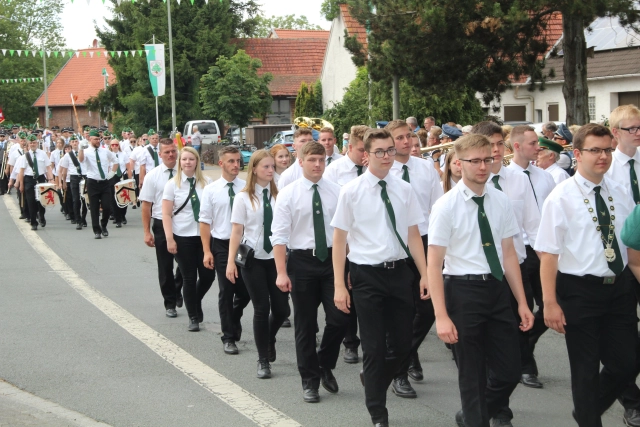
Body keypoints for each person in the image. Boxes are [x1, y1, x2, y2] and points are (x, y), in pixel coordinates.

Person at [535, 123, 640, 427]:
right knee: (585, 370)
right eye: (595, 150)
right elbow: (548, 255)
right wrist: (550, 302)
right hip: (579, 290)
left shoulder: (621, 192)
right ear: (578, 154)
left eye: (607, 150)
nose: (603, 156)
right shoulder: (560, 197)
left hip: (619, 287)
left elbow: (631, 248)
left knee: (627, 363)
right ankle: (588, 417)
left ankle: (586, 409)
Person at [427, 133, 534, 427]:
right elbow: (434, 264)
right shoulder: (446, 206)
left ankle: (471, 416)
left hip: (497, 289)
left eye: (488, 159)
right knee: (472, 374)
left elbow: (509, 254)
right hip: (463, 291)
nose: (483, 166)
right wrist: (441, 316)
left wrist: (522, 302)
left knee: (510, 371)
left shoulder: (500, 200)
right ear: (459, 164)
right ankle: (475, 418)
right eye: (475, 161)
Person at [332, 128, 429, 427]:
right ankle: (378, 413)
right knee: (373, 348)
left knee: (402, 345)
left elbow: (413, 234)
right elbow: (339, 240)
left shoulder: (405, 189)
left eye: (390, 150)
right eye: (380, 152)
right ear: (366, 155)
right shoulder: (351, 191)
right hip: (366, 275)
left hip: (399, 272)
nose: (387, 156)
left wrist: (425, 274)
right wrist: (339, 284)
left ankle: (374, 379)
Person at [472, 121, 541, 425]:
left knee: (511, 345)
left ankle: (490, 404)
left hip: (516, 270)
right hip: (481, 274)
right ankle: (497, 411)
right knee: (486, 347)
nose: (497, 150)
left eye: (500, 143)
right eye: (490, 144)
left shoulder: (518, 180)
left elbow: (534, 227)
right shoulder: (470, 182)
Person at [271, 141, 349, 403]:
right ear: (301, 161)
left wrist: (349, 268)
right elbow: (279, 236)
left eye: (321, 160)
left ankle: (324, 362)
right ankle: (310, 380)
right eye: (312, 160)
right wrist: (281, 272)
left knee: (341, 318)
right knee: (305, 325)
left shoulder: (338, 192)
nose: (317, 165)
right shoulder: (288, 194)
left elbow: (347, 233)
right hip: (302, 262)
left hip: (333, 261)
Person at [385, 119, 443, 398]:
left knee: (428, 308)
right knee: (400, 311)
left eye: (408, 136)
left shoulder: (425, 168)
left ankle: (407, 353)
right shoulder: (385, 171)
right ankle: (400, 372)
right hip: (396, 244)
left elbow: (437, 207)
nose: (407, 141)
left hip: (425, 241)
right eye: (400, 138)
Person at [227, 150, 290, 379]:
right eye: (266, 166)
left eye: (272, 166)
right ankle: (263, 359)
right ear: (254, 169)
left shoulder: (280, 195)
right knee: (261, 308)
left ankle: (269, 337)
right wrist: (231, 262)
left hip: (277, 259)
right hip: (253, 260)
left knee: (282, 310)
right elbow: (237, 231)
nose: (271, 170)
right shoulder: (243, 197)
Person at [606, 105, 640, 426]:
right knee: (624, 337)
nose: (638, 133)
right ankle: (631, 401)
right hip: (621, 261)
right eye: (632, 128)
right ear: (616, 133)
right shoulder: (606, 168)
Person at [200, 146, 251, 354]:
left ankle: (234, 317)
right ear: (221, 163)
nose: (236, 165)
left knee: (246, 291)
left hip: (244, 245)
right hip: (221, 244)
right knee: (227, 289)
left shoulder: (246, 187)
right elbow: (204, 222)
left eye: (238, 161)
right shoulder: (211, 190)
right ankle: (228, 337)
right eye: (231, 161)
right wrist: (207, 251)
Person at [324, 125, 368, 364]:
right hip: (346, 242)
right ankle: (350, 342)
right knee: (348, 294)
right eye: (361, 150)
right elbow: (331, 210)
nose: (365, 155)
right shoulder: (334, 171)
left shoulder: (375, 168)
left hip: (370, 241)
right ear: (349, 147)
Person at [162, 147, 213, 332]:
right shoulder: (172, 184)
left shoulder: (207, 182)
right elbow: (166, 214)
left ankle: (195, 300)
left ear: (197, 161)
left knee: (208, 275)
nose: (188, 162)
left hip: (205, 236)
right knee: (189, 278)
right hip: (183, 236)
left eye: (191, 159)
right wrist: (170, 239)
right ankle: (193, 316)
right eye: (184, 159)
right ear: (179, 162)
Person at [139, 139, 183, 318]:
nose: (171, 155)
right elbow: (146, 206)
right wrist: (146, 232)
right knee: (165, 266)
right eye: (167, 152)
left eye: (173, 151)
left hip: (183, 224)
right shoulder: (153, 176)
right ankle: (170, 303)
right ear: (160, 155)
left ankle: (177, 287)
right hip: (161, 224)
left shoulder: (186, 171)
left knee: (186, 263)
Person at [78, 129, 119, 239]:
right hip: (92, 182)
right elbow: (81, 160)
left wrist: (112, 173)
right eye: (95, 139)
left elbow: (115, 161)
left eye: (98, 139)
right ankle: (97, 230)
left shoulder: (105, 151)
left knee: (107, 207)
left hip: (104, 182)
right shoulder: (86, 151)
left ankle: (104, 225)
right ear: (90, 139)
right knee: (94, 207)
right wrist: (80, 149)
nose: (98, 141)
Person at [16, 135, 55, 231]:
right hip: (29, 179)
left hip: (40, 178)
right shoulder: (25, 156)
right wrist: (21, 185)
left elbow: (48, 168)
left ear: (37, 143)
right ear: (28, 144)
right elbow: (21, 171)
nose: (32, 144)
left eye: (34, 143)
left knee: (42, 200)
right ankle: (33, 222)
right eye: (31, 143)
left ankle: (41, 215)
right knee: (31, 201)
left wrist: (51, 180)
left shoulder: (42, 154)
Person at [59, 136, 88, 230]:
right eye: (73, 141)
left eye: (76, 141)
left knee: (85, 199)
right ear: (70, 143)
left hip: (84, 176)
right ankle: (78, 220)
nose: (75, 143)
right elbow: (64, 170)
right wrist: (63, 182)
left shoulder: (84, 152)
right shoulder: (67, 155)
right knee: (76, 199)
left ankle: (83, 218)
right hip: (74, 177)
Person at [108, 138, 131, 228]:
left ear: (119, 146)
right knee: (114, 198)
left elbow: (128, 167)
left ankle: (123, 215)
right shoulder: (108, 155)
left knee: (124, 197)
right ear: (110, 146)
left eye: (116, 145)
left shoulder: (123, 154)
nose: (114, 146)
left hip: (122, 176)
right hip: (113, 177)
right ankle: (117, 218)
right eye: (112, 145)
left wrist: (130, 179)